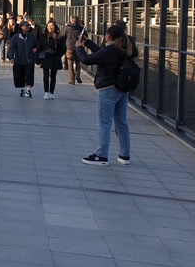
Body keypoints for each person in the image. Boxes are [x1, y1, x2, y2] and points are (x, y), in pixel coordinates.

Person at [77, 21, 138, 165]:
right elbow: (101, 53)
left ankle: (101, 155)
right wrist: (88, 43)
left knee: (103, 123)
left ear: (108, 36)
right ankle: (125, 155)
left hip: (107, 89)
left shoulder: (110, 51)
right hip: (121, 90)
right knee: (121, 123)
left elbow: (87, 59)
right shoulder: (124, 49)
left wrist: (79, 48)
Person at [7, 20, 37, 97]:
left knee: (29, 74)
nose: (27, 27)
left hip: (29, 59)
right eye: (25, 26)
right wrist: (11, 57)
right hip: (19, 59)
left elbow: (37, 45)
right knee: (19, 75)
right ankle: (22, 89)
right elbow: (12, 47)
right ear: (21, 27)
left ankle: (28, 90)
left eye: (28, 26)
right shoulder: (16, 37)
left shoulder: (32, 37)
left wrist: (35, 49)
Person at [37, 20, 65, 99]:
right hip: (46, 57)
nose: (50, 28)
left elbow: (63, 48)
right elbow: (40, 46)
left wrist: (59, 55)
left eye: (52, 26)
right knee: (45, 75)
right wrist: (37, 51)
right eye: (49, 26)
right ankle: (46, 91)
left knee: (53, 75)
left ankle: (51, 92)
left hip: (55, 57)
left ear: (55, 27)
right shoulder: (44, 36)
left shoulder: (59, 36)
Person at [60, 15, 84, 85]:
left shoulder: (67, 28)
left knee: (70, 63)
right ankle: (78, 75)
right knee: (78, 62)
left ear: (71, 20)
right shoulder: (81, 28)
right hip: (78, 47)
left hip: (69, 47)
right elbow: (85, 36)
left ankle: (72, 79)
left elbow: (62, 35)